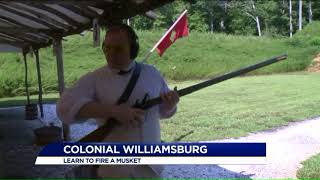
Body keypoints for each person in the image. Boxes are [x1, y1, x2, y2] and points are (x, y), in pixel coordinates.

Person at [56, 24, 179, 178]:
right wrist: (113, 111)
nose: (110, 54)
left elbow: (163, 112)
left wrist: (170, 105)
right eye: (107, 48)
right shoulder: (95, 78)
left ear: (133, 49)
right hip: (114, 170)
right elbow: (63, 108)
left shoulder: (152, 74)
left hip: (152, 168)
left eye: (118, 48)